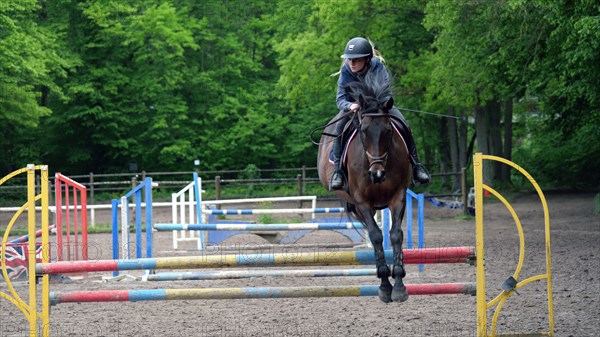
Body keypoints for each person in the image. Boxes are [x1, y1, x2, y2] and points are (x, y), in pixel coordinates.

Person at [329, 37, 431, 191]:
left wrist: (378, 104)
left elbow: (387, 93)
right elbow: (340, 99)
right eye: (350, 60)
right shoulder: (346, 71)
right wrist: (351, 105)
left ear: (367, 59)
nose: (351, 63)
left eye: (356, 60)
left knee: (403, 123)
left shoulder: (377, 67)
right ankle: (338, 172)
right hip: (355, 108)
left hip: (378, 108)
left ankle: (417, 166)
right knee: (339, 129)